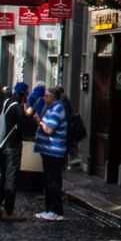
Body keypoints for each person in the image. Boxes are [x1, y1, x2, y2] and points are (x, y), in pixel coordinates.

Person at [0, 82, 30, 222]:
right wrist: (29, 115)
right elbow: (25, 127)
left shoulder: (7, 102)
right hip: (12, 146)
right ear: (24, 94)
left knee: (3, 176)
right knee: (11, 178)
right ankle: (8, 210)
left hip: (1, 145)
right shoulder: (18, 107)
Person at [33, 88, 70, 220]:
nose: (44, 98)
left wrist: (39, 121)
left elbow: (49, 130)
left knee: (53, 181)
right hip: (48, 150)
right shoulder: (52, 108)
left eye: (46, 96)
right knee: (49, 180)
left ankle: (56, 210)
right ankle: (49, 209)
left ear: (51, 97)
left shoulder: (56, 110)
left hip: (53, 151)